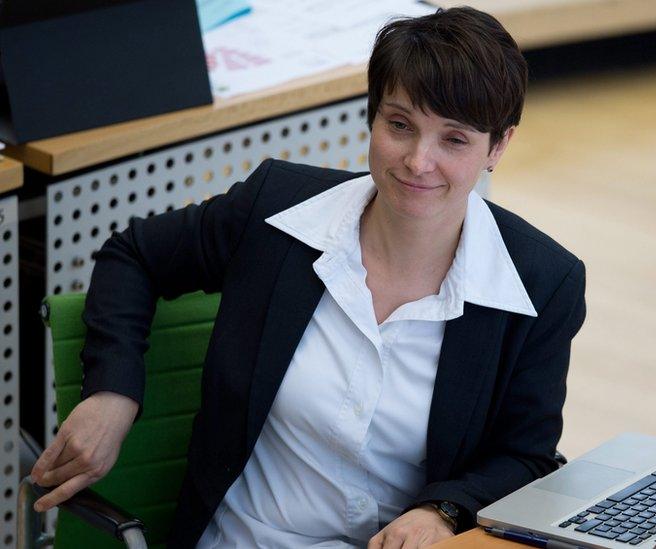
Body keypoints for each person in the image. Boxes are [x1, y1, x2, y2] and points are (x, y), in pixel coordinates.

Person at [31, 7, 586, 548]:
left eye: (454, 140)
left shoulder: (542, 283)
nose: (419, 161)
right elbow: (134, 255)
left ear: (499, 146)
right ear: (372, 117)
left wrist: (443, 510)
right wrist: (113, 391)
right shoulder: (275, 210)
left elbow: (526, 454)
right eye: (400, 125)